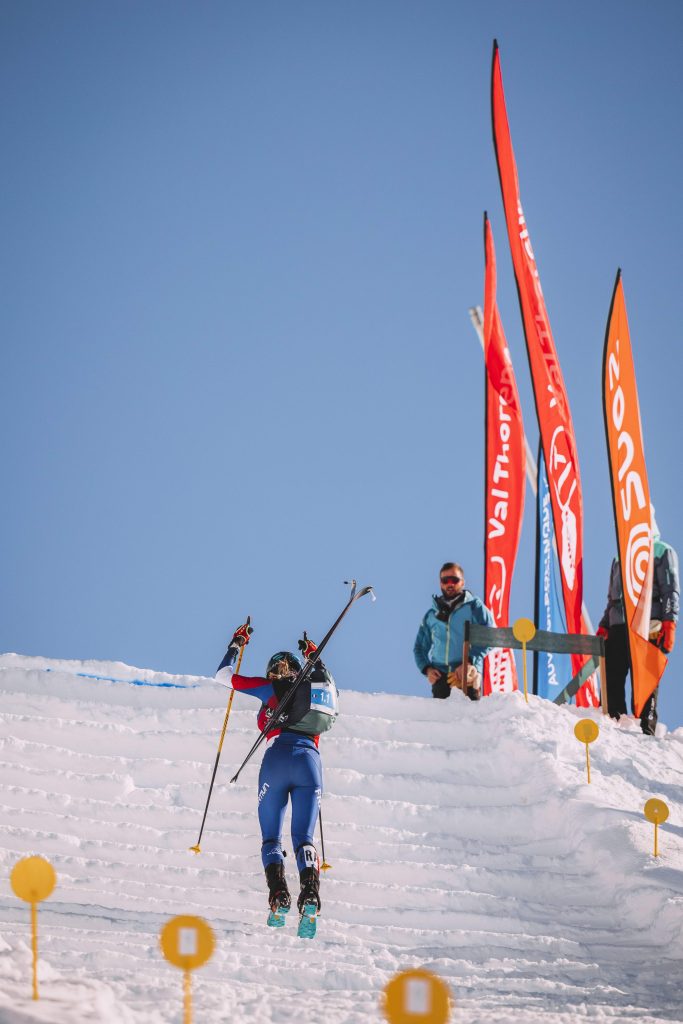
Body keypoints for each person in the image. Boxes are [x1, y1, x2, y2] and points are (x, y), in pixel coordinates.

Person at [215, 623, 338, 932]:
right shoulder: (313, 691)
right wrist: (316, 658)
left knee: (272, 837)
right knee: (303, 838)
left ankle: (279, 894)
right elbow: (330, 691)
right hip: (310, 761)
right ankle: (310, 894)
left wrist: (236, 643)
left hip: (276, 760)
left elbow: (222, 676)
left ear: (272, 674)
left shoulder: (269, 688)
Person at [597, 516, 679, 735]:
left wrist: (670, 622)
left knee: (645, 680)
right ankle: (616, 722)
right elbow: (613, 598)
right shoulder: (619, 557)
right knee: (613, 677)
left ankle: (646, 728)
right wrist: (604, 624)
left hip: (647, 625)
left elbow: (670, 590)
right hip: (618, 627)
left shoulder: (661, 551)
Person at [414, 562, 495, 700]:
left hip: (468, 674)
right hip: (441, 676)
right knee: (441, 718)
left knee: (469, 718)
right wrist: (427, 669)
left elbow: (490, 636)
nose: (449, 584)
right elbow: (419, 647)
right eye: (445, 580)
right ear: (440, 583)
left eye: (454, 580)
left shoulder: (474, 607)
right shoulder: (432, 615)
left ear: (462, 582)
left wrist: (469, 662)